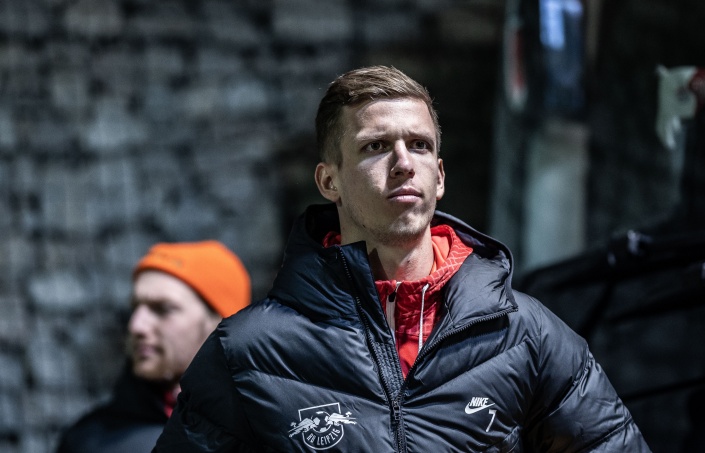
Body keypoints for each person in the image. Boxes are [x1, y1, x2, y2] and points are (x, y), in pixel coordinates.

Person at [154, 66, 650, 451]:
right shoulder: (247, 351)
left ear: (440, 176)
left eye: (419, 145)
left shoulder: (525, 334)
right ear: (329, 181)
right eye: (376, 146)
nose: (403, 163)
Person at [56, 240, 251, 453]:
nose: (136, 326)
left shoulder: (271, 430)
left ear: (221, 324)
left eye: (163, 309)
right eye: (135, 307)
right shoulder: (87, 441)